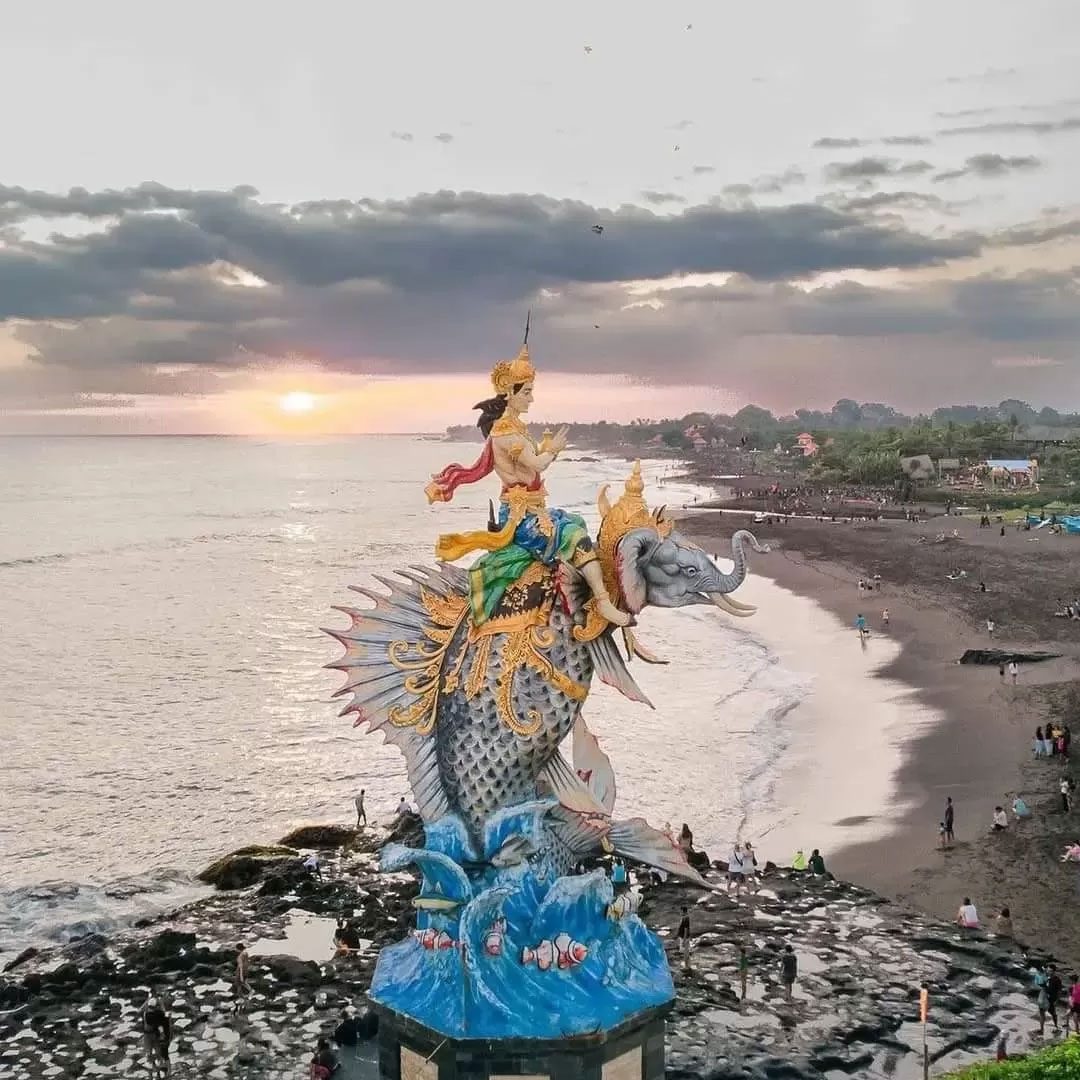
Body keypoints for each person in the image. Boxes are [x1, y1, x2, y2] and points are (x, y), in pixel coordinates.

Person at [424, 327, 630, 627]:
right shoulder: (506, 433)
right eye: (527, 392)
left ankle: (572, 592)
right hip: (521, 519)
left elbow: (529, 467)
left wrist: (546, 449)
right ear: (510, 393)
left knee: (577, 521)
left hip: (534, 510)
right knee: (575, 536)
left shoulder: (515, 428)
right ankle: (602, 602)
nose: (531, 399)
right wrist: (553, 450)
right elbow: (537, 465)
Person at [141, 993, 171, 1077]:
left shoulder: (147, 1013)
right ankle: (159, 1070)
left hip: (148, 1035)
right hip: (154, 1035)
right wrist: (161, 1003)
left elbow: (141, 1010)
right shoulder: (156, 1014)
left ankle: (154, 1071)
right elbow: (163, 1018)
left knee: (150, 1053)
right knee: (158, 1053)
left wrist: (147, 999)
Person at [233, 943, 250, 1014]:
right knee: (244, 983)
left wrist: (241, 976)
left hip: (240, 972)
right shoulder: (245, 954)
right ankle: (248, 994)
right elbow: (246, 964)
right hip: (246, 971)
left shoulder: (240, 956)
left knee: (239, 986)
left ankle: (242, 999)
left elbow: (241, 966)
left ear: (238, 949)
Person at [675, 906, 691, 971]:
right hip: (682, 937)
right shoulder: (683, 917)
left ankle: (687, 967)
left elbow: (686, 930)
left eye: (681, 911)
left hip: (685, 938)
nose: (680, 912)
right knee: (686, 952)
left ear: (684, 911)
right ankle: (688, 965)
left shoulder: (686, 918)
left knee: (685, 953)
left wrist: (684, 940)